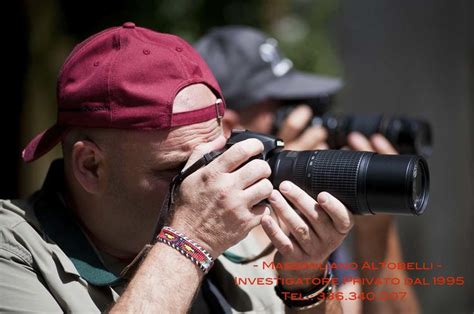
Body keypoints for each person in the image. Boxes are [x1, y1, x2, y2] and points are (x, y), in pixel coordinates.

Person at [0, 22, 355, 313]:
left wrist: (304, 282)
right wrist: (189, 242)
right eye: (177, 169)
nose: (208, 188)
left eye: (213, 161)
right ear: (90, 166)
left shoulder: (233, 243)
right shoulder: (13, 252)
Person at [195, 25, 420, 314]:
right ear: (229, 128)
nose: (308, 121)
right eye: (283, 112)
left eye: (307, 105)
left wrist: (375, 232)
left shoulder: (314, 225)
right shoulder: (212, 238)